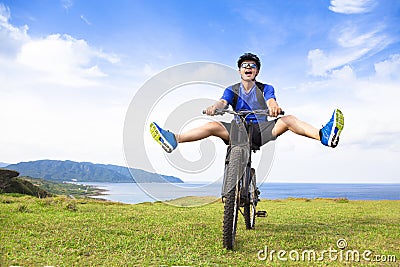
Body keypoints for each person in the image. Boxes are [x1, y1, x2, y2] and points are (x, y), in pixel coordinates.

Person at [149, 53, 344, 153]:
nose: (248, 68)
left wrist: (273, 107)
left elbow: (271, 100)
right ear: (239, 71)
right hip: (237, 130)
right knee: (211, 125)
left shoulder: (266, 87)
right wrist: (214, 108)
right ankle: (174, 139)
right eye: (244, 66)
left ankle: (324, 136)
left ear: (257, 71)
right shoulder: (232, 89)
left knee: (289, 119)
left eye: (252, 66)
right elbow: (222, 102)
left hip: (261, 131)